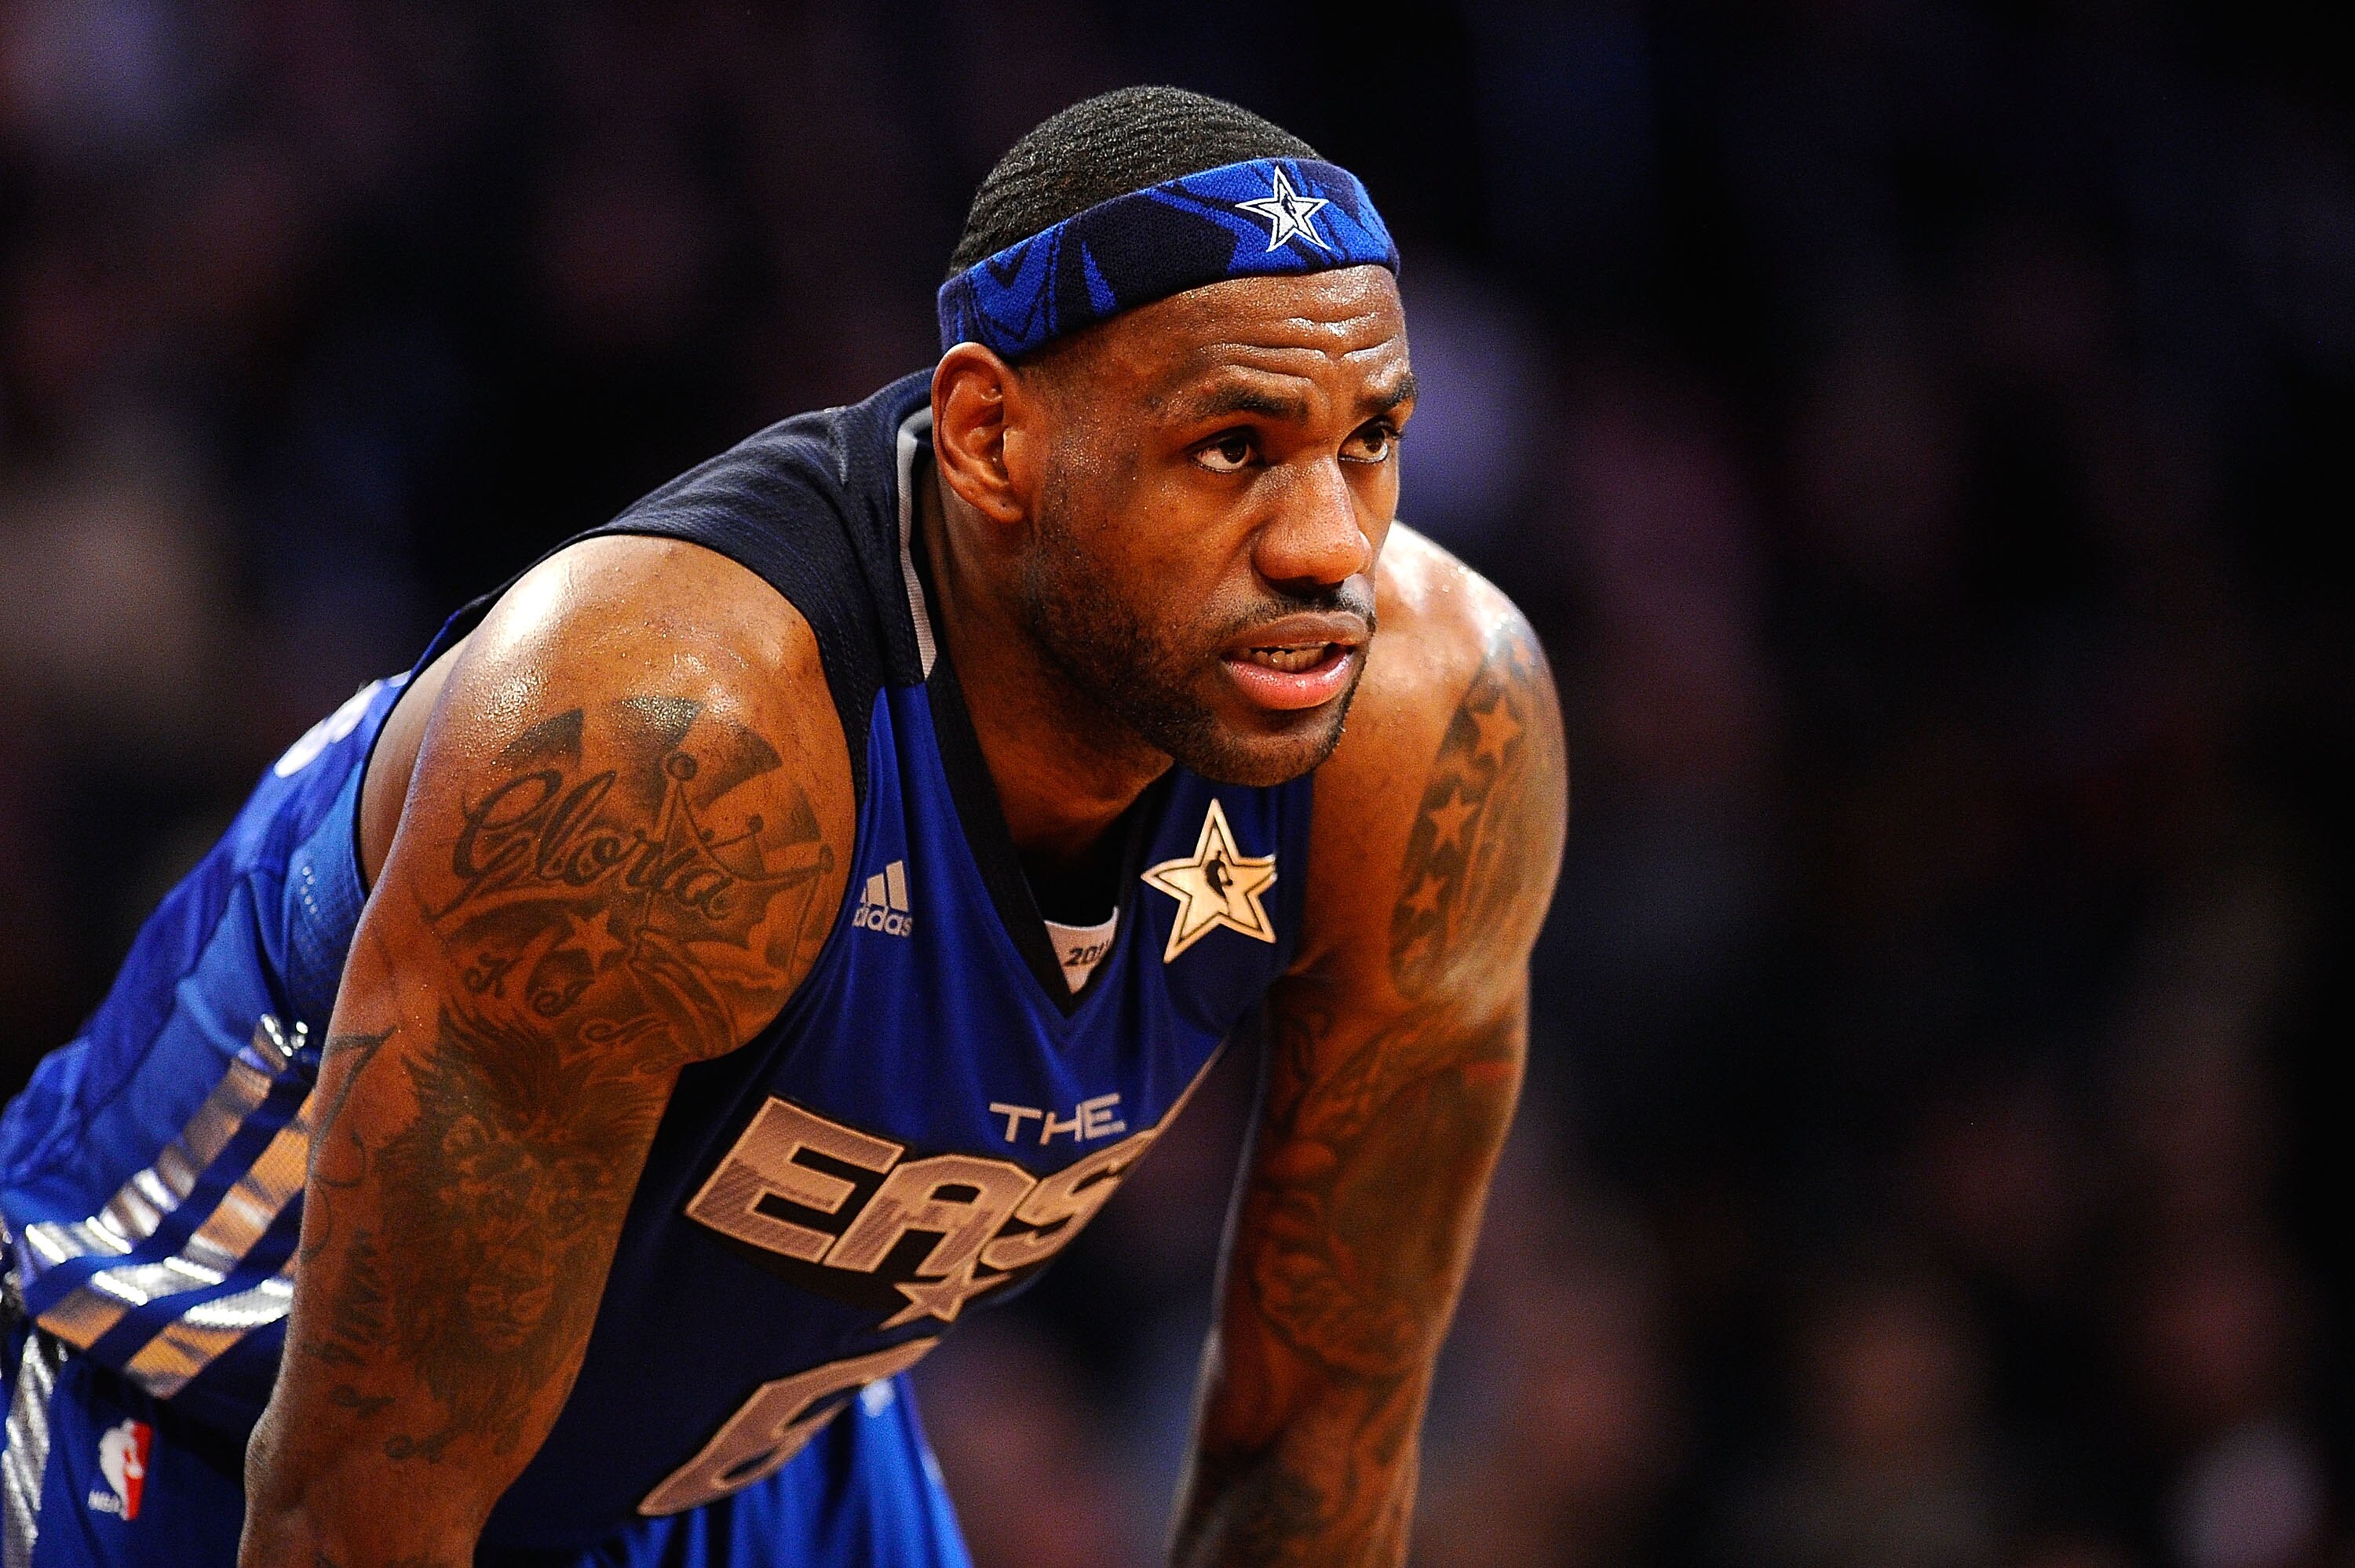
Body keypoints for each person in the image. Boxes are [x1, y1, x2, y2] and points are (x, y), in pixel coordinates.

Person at [0, 86, 1565, 1566]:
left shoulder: (1429, 725)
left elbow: (1318, 1443)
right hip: (216, 1410)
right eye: (1231, 448)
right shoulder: (671, 743)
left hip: (738, 1450)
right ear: (988, 440)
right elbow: (355, 1509)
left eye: (1369, 441)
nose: (1326, 544)